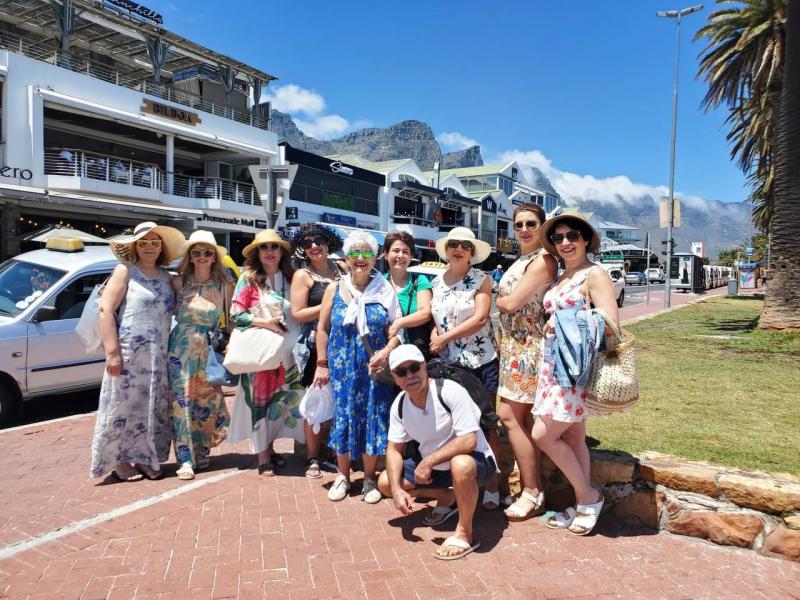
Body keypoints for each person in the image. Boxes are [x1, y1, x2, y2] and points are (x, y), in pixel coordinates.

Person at [532, 214, 619, 536]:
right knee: (572, 437)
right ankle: (583, 506)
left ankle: (589, 496)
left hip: (573, 369)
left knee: (543, 435)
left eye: (571, 236)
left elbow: (611, 321)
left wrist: (566, 319)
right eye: (558, 238)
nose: (565, 242)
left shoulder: (594, 274)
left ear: (585, 239)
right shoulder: (563, 276)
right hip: (554, 364)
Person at [378, 345, 497, 561]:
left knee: (461, 463)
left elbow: (468, 440)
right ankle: (447, 497)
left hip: (475, 462)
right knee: (386, 482)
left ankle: (464, 533)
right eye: (402, 372)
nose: (410, 375)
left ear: (424, 367)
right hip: (435, 467)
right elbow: (394, 449)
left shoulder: (449, 390)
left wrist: (428, 462)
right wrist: (396, 490)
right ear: (395, 377)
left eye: (414, 368)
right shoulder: (400, 404)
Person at [313, 231, 403, 504]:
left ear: (376, 258)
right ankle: (343, 476)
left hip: (373, 368)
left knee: (372, 419)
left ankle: (368, 478)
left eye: (366, 254)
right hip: (342, 368)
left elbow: (396, 330)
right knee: (344, 417)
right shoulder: (334, 288)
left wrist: (387, 352)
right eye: (355, 254)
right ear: (347, 258)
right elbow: (323, 329)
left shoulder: (384, 289)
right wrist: (321, 364)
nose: (361, 259)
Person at [91, 221, 184, 481]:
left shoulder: (168, 277)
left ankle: (145, 457)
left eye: (154, 242)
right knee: (123, 407)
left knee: (151, 408)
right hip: (131, 352)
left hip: (158, 354)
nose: (149, 247)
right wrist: (113, 353)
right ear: (134, 246)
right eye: (143, 243)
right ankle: (119, 461)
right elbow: (105, 310)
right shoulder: (125, 271)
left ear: (162, 247)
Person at [429, 227, 501, 510]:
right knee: (452, 427)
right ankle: (459, 484)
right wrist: (438, 333)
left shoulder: (481, 279)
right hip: (449, 366)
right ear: (446, 250)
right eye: (454, 245)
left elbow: (481, 317)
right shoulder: (436, 282)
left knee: (486, 423)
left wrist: (444, 338)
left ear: (472, 252)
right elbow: (437, 315)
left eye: (465, 246)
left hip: (480, 361)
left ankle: (493, 485)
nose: (459, 249)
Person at [495, 204, 557, 521]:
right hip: (514, 347)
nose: (523, 230)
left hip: (528, 348)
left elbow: (513, 302)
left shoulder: (542, 261)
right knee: (522, 420)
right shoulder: (522, 260)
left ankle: (532, 491)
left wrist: (498, 299)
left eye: (531, 224)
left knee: (508, 415)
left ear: (542, 227)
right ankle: (533, 490)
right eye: (518, 224)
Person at [227, 230, 303, 476]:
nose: (269, 252)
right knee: (260, 403)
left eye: (274, 246)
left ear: (282, 251)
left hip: (288, 353)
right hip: (260, 353)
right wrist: (265, 323)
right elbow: (236, 315)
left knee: (281, 403)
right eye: (264, 247)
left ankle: (270, 448)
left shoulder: (292, 278)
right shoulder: (249, 279)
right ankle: (261, 455)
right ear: (257, 253)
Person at [168, 230, 235, 481]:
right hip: (181, 347)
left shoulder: (224, 280)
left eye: (208, 252)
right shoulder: (178, 281)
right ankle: (185, 458)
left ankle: (202, 450)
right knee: (182, 402)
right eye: (196, 252)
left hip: (209, 345)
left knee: (207, 400)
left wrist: (230, 342)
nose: (202, 257)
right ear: (190, 256)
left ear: (215, 255)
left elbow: (232, 316)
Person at [289, 224, 345, 478]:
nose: (314, 246)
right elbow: (298, 314)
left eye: (319, 240)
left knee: (338, 401)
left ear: (328, 243)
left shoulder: (341, 268)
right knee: (316, 403)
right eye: (307, 243)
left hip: (344, 344)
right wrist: (328, 304)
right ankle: (312, 457)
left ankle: (332, 453)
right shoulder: (303, 275)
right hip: (316, 347)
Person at [383, 231, 433, 360]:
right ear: (385, 254)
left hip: (415, 354)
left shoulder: (420, 281)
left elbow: (426, 313)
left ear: (411, 257)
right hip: (385, 352)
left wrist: (399, 323)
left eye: (405, 252)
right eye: (396, 250)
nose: (400, 255)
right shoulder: (379, 283)